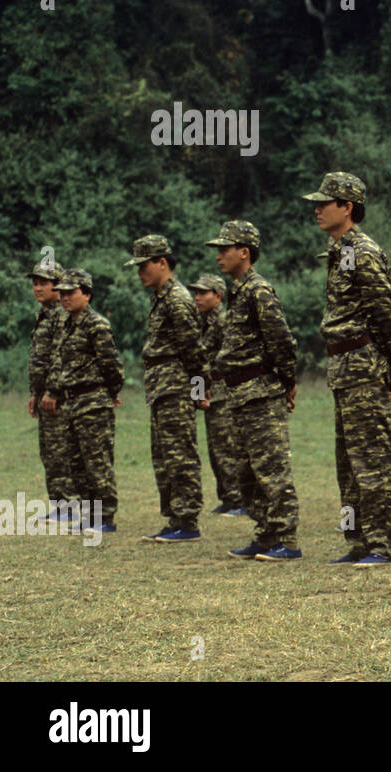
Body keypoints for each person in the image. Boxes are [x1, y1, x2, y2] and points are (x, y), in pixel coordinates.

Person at [305, 172, 391, 568]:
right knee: (348, 461)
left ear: (347, 207)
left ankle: (386, 544)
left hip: (364, 366)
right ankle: (360, 540)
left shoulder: (362, 251)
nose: (317, 209)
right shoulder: (339, 252)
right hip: (344, 366)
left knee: (373, 458)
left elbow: (386, 313)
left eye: (325, 202)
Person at [205, 221, 302, 562]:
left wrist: (287, 383)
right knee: (246, 471)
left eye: (224, 249)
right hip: (239, 393)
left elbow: (281, 340)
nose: (218, 256)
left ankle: (286, 540)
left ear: (244, 253)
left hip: (260, 393)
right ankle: (265, 534)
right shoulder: (238, 291)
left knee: (271, 467)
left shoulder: (258, 289)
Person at [126, 235, 207, 543]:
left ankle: (187, 521)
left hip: (176, 386)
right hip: (161, 386)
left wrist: (199, 390)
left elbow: (193, 351)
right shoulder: (161, 297)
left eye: (144, 265)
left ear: (162, 262)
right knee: (164, 455)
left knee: (179, 453)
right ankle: (175, 518)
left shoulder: (177, 298)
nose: (139, 272)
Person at [43, 269, 123, 535]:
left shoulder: (96, 325)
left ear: (87, 295)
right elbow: (60, 363)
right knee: (77, 464)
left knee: (96, 462)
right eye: (62, 293)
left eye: (71, 293)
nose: (65, 298)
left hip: (93, 402)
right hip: (72, 403)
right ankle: (89, 516)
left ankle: (105, 517)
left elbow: (112, 365)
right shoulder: (67, 325)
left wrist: (110, 393)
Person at [188, 273, 246, 517]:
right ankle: (228, 497)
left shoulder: (224, 321)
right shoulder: (202, 322)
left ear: (218, 296)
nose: (197, 297)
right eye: (196, 292)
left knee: (228, 447)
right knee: (215, 447)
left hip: (225, 391)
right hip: (212, 391)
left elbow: (230, 359)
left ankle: (240, 499)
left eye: (203, 293)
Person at [28, 260, 74, 515]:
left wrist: (53, 391)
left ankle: (69, 504)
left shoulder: (61, 314)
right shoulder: (44, 315)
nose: (37, 288)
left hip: (58, 396)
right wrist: (35, 393)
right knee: (49, 451)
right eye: (35, 283)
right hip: (44, 394)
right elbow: (39, 360)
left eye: (43, 283)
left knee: (60, 450)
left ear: (58, 287)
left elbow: (61, 355)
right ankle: (60, 504)